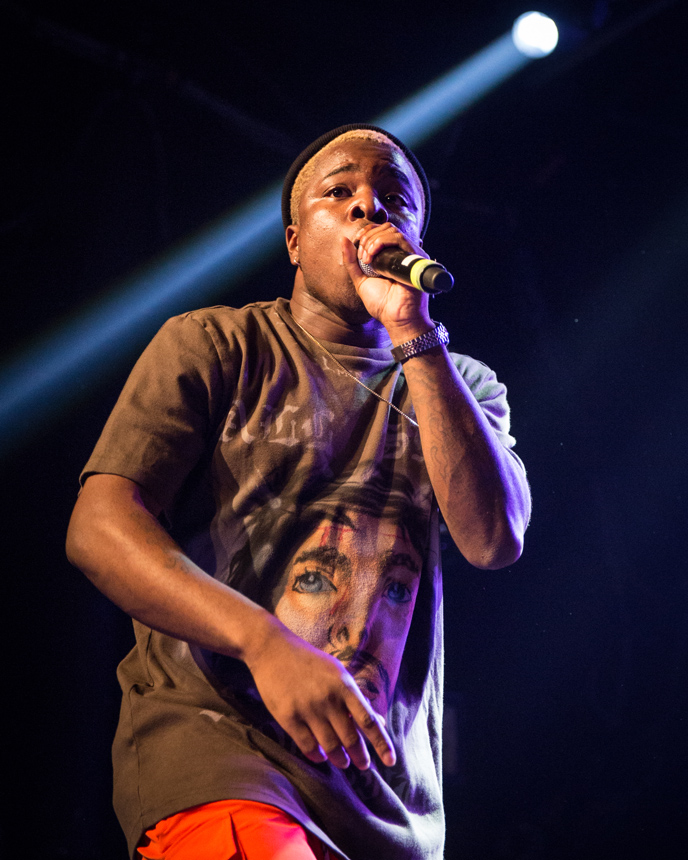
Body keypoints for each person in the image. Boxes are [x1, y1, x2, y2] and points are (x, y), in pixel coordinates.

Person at [66, 123, 531, 860]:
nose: (367, 209)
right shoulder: (217, 345)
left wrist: (413, 333)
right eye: (338, 191)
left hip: (390, 810)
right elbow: (97, 526)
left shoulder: (461, 385)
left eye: (392, 200)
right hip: (224, 758)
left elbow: (494, 539)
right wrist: (264, 641)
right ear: (291, 240)